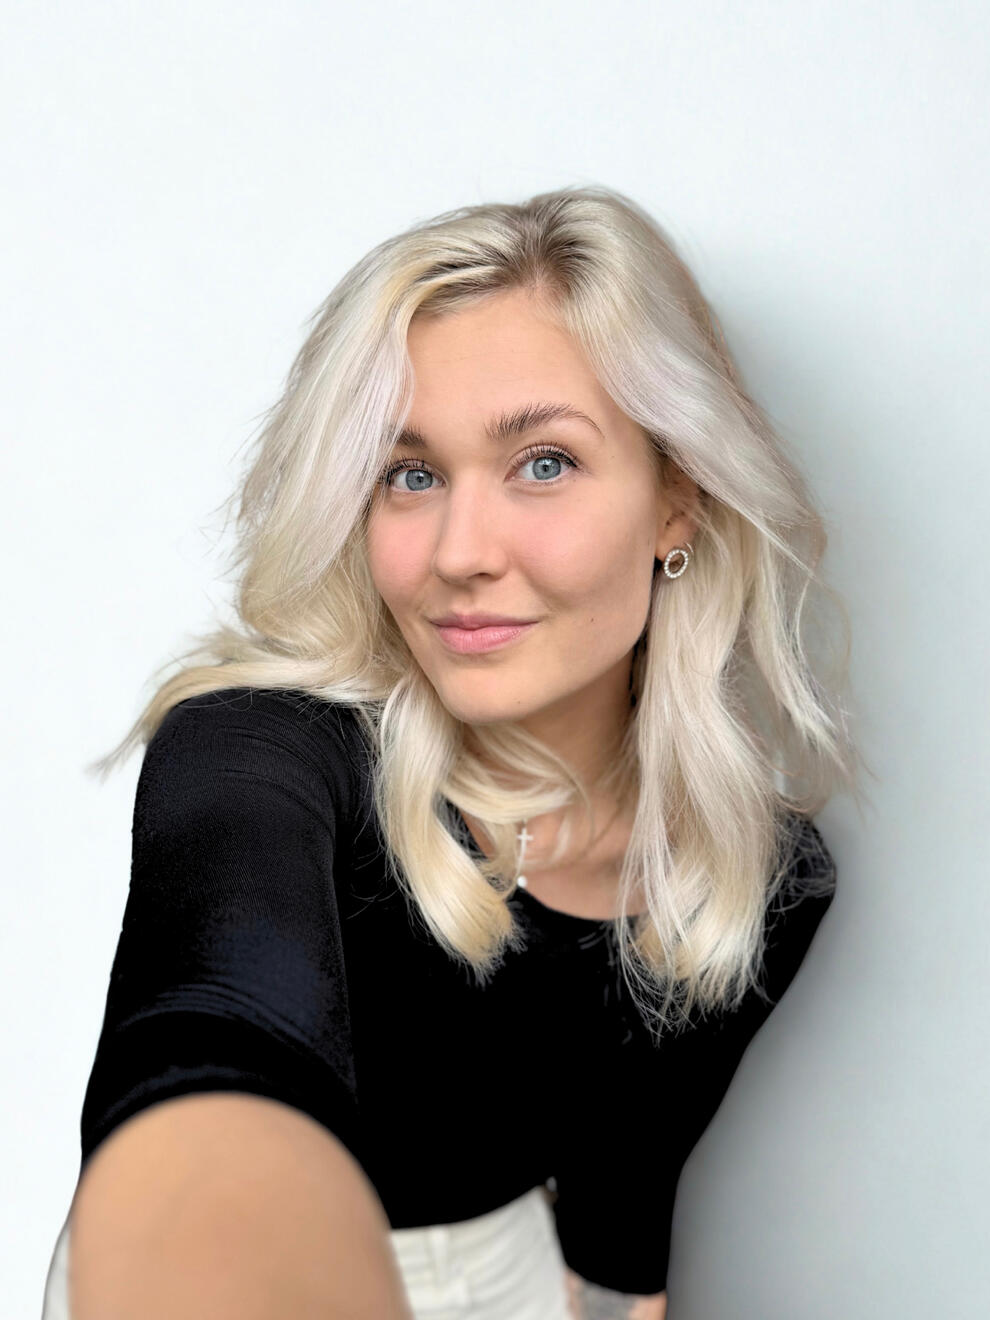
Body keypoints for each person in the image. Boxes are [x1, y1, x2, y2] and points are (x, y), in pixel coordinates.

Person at [42, 184, 859, 1320]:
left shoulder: (761, 880)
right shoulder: (264, 750)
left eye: (544, 463)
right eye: (410, 474)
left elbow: (622, 1225)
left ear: (677, 500)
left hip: (507, 1279)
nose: (460, 553)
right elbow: (211, 1028)